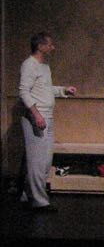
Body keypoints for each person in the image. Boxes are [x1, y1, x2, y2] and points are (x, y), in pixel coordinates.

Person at [18, 32, 77, 211]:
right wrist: (36, 115)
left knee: (44, 161)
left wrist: (63, 90)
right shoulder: (29, 65)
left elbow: (46, 89)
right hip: (36, 118)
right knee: (37, 162)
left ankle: (28, 195)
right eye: (50, 45)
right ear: (40, 46)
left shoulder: (44, 66)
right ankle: (39, 202)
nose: (53, 48)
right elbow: (24, 92)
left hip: (47, 116)